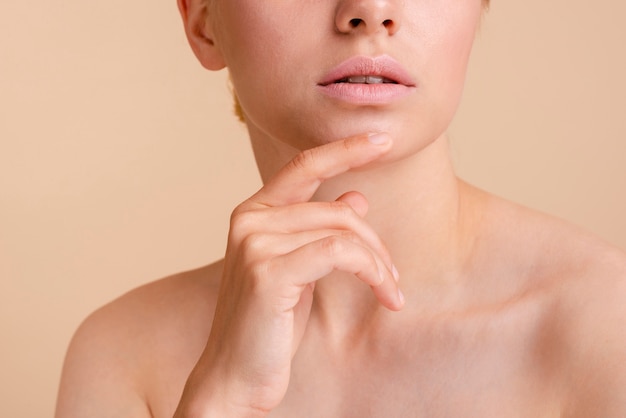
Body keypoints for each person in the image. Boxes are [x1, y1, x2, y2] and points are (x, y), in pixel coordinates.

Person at [55, 0, 626, 416]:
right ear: (203, 20)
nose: (370, 10)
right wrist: (221, 398)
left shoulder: (605, 321)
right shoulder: (122, 355)